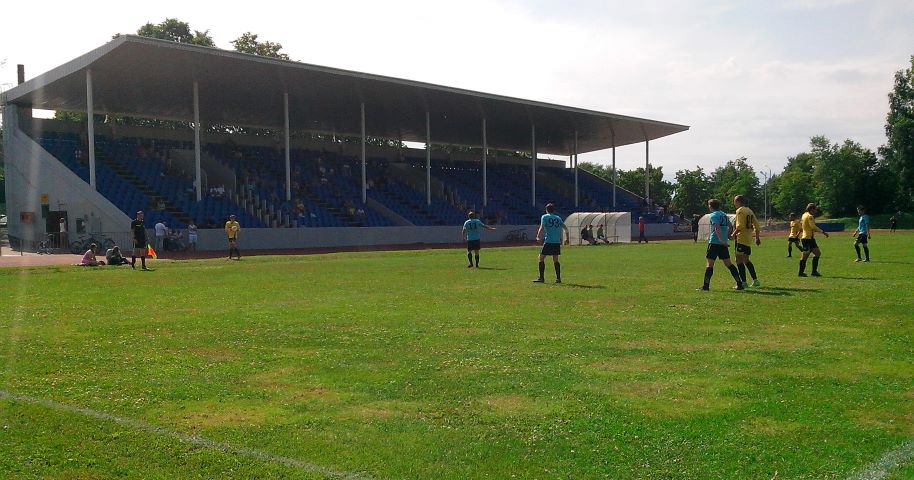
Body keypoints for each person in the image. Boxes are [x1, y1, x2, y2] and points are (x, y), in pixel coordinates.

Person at [699, 199, 744, 291]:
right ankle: (739, 284)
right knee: (729, 264)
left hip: (715, 242)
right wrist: (728, 236)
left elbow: (717, 228)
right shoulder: (723, 214)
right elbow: (730, 226)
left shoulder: (713, 215)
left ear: (710, 206)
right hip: (723, 243)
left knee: (710, 264)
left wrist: (720, 240)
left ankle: (705, 286)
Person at [533, 203, 570, 284]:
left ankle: (541, 278)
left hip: (549, 241)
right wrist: (567, 238)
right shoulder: (558, 218)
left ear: (546, 210)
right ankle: (558, 278)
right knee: (555, 260)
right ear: (554, 210)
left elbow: (542, 227)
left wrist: (538, 236)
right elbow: (566, 229)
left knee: (541, 258)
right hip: (556, 242)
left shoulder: (544, 217)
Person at [731, 195, 761, 288]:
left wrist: (733, 234)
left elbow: (740, 226)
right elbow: (757, 225)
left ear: (738, 201)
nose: (734, 203)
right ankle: (755, 280)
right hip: (748, 239)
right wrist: (757, 238)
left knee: (738, 260)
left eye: (734, 201)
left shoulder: (739, 211)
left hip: (741, 239)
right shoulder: (749, 210)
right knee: (746, 260)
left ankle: (744, 282)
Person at [798, 203, 830, 277]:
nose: (816, 211)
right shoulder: (810, 216)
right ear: (811, 209)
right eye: (815, 209)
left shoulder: (804, 215)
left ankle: (813, 272)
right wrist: (823, 232)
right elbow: (813, 226)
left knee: (817, 253)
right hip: (807, 238)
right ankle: (801, 272)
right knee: (805, 256)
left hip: (809, 238)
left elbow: (803, 224)